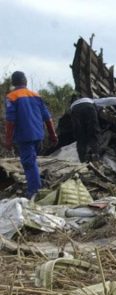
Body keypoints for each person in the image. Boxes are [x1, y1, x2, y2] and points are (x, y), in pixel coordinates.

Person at [4, 71, 58, 199]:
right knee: (32, 161)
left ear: (13, 82)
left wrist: (8, 140)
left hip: (24, 136)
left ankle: (34, 191)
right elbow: (48, 118)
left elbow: (10, 121)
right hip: (38, 134)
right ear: (25, 81)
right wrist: (53, 135)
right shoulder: (36, 95)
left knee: (29, 163)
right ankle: (36, 184)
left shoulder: (12, 97)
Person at [69, 93, 116, 163]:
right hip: (89, 107)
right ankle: (95, 155)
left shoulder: (73, 105)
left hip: (75, 110)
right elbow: (105, 101)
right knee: (93, 134)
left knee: (80, 137)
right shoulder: (89, 100)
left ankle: (82, 160)